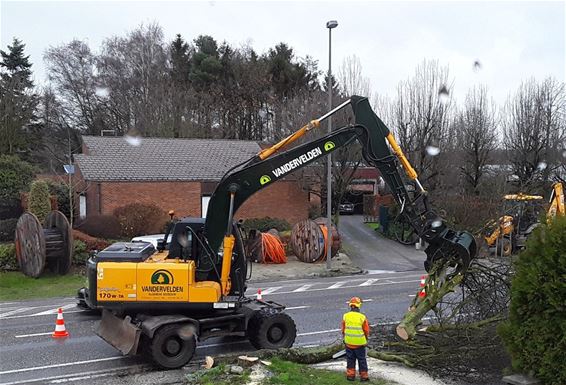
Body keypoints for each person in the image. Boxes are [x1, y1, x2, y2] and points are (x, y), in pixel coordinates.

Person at [342, 296, 370, 381]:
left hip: (349, 343)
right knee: (362, 360)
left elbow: (343, 329)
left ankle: (350, 376)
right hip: (360, 343)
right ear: (359, 306)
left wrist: (345, 338)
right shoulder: (362, 317)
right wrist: (366, 339)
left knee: (350, 360)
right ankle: (364, 377)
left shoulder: (345, 316)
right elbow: (366, 330)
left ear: (350, 306)